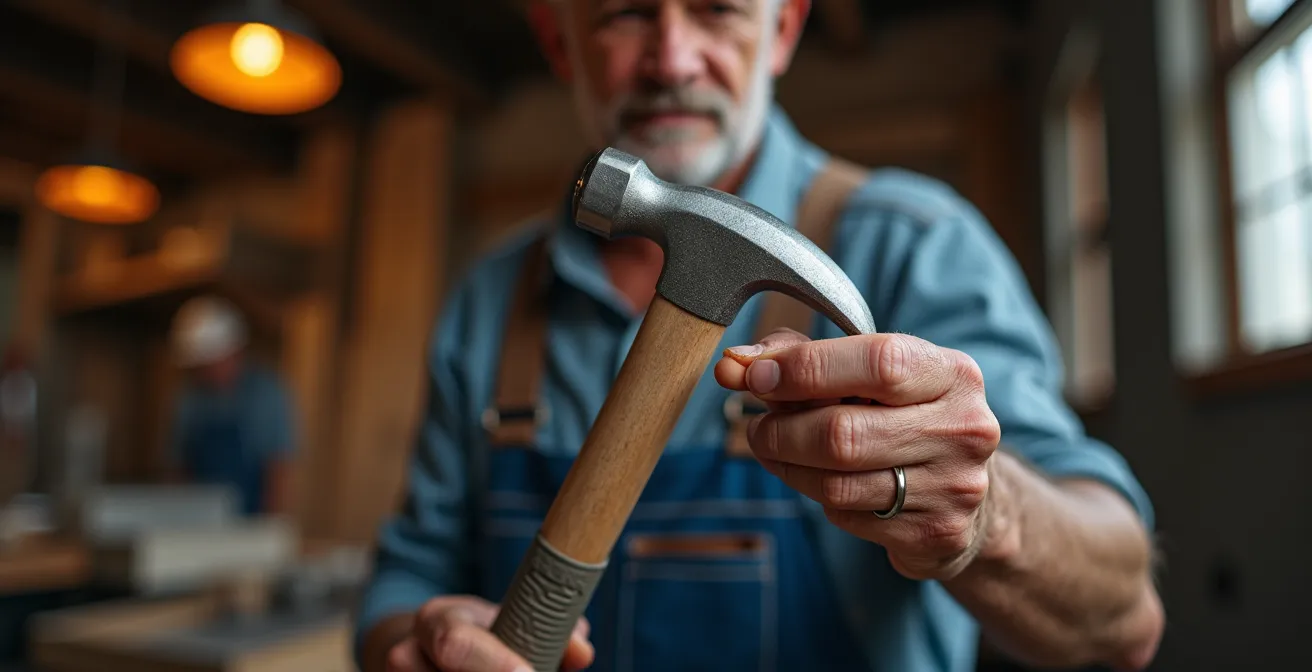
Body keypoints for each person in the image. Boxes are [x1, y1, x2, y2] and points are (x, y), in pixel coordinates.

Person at [356, 1, 1164, 671]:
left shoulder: (916, 248)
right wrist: (414, 640)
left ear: (782, 29)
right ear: (556, 42)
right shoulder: (488, 300)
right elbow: (405, 578)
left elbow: (1128, 620)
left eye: (718, 9)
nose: (673, 59)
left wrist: (992, 515)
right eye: (626, 15)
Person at [168, 294, 296, 517]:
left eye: (211, 363)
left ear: (234, 351)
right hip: (198, 520)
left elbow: (278, 469)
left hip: (249, 518)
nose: (206, 373)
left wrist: (268, 527)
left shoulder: (265, 394)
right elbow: (178, 467)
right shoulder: (189, 398)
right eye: (200, 366)